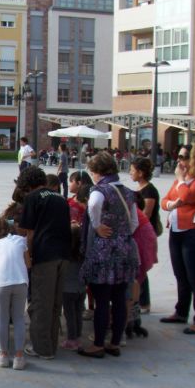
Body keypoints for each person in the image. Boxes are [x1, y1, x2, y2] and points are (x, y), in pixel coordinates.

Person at [79, 151, 139, 358]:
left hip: (104, 249)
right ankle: (114, 342)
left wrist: (96, 226)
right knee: (120, 298)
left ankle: (97, 343)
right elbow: (134, 223)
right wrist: (123, 232)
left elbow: (93, 205)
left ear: (98, 172)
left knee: (102, 298)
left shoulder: (100, 190)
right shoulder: (129, 192)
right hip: (125, 249)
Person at [160, 143, 195, 335]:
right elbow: (165, 201)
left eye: (183, 157)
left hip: (193, 231)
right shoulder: (181, 180)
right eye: (179, 156)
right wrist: (172, 203)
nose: (179, 161)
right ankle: (181, 311)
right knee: (180, 274)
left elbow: (188, 196)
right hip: (176, 229)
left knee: (194, 276)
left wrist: (181, 181)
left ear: (194, 158)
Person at [18, 167, 70, 360]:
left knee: (41, 302)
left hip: (44, 255)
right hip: (63, 254)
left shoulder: (33, 198)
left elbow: (29, 232)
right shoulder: (60, 198)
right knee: (56, 303)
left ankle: (41, 348)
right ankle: (51, 344)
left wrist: (28, 257)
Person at [0, 218, 29, 370]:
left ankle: (3, 355)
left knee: (2, 319)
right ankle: (19, 357)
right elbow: (27, 263)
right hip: (20, 281)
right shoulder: (20, 241)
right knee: (18, 318)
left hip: (2, 283)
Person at [130, 157, 161, 313]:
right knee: (138, 267)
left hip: (144, 233)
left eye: (132, 170)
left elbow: (145, 215)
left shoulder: (149, 191)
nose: (130, 173)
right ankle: (140, 300)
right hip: (139, 232)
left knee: (140, 267)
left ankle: (144, 302)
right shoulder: (141, 189)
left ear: (140, 173)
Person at [61, 225, 86, 351]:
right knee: (78, 313)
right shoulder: (82, 253)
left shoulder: (66, 253)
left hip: (67, 289)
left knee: (69, 314)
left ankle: (71, 339)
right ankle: (78, 337)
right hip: (81, 288)